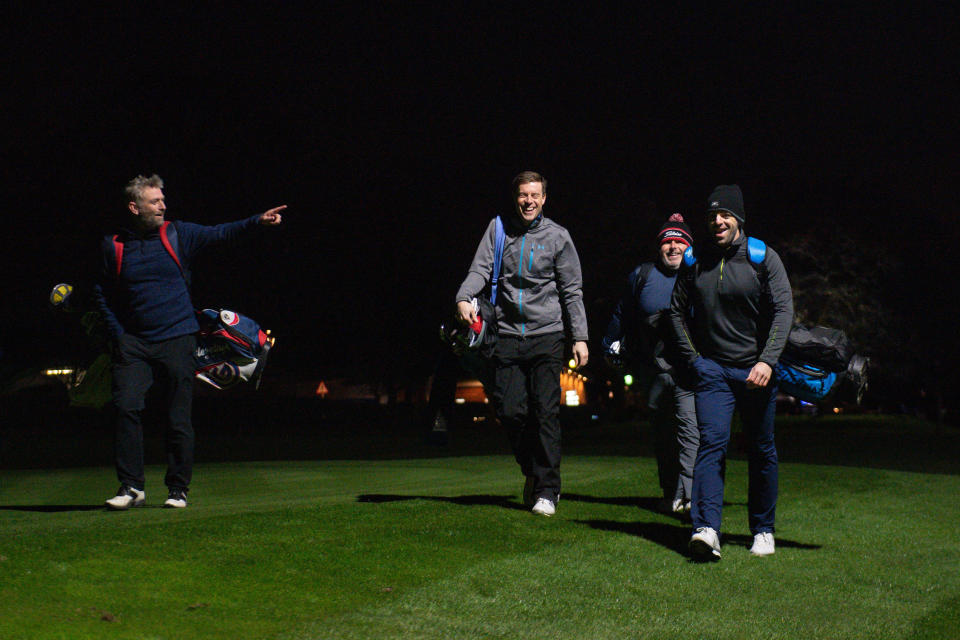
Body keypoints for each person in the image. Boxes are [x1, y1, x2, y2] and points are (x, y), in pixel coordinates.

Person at [93, 174, 284, 510]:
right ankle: (131, 487)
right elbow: (101, 291)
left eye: (163, 200)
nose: (163, 206)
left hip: (178, 337)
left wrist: (257, 221)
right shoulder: (114, 245)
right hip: (134, 343)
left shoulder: (176, 233)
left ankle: (177, 489)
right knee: (126, 409)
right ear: (134, 207)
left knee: (177, 418)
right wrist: (119, 335)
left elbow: (221, 232)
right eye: (155, 202)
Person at [669, 184, 793, 559]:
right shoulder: (696, 260)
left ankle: (763, 530)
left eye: (724, 215)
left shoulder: (762, 258)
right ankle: (707, 529)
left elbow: (785, 310)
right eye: (711, 216)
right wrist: (695, 360)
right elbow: (675, 312)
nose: (717, 222)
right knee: (712, 445)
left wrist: (766, 361)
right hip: (714, 373)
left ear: (739, 219)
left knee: (761, 449)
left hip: (756, 372)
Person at [455, 171, 588, 516]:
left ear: (544, 198)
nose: (529, 201)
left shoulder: (559, 237)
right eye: (523, 195)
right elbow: (480, 269)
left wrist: (580, 337)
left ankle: (547, 490)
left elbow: (572, 290)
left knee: (546, 413)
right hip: (507, 336)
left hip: (548, 335)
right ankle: (532, 469)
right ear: (515, 197)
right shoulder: (498, 229)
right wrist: (464, 296)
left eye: (535, 195)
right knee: (511, 411)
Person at [602, 213, 698, 515]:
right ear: (659, 247)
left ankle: (691, 494)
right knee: (664, 434)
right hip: (654, 370)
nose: (673, 247)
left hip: (692, 370)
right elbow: (622, 313)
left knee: (692, 430)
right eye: (667, 242)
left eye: (679, 241)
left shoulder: (702, 274)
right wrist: (610, 342)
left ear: (689, 247)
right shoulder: (642, 275)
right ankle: (671, 492)